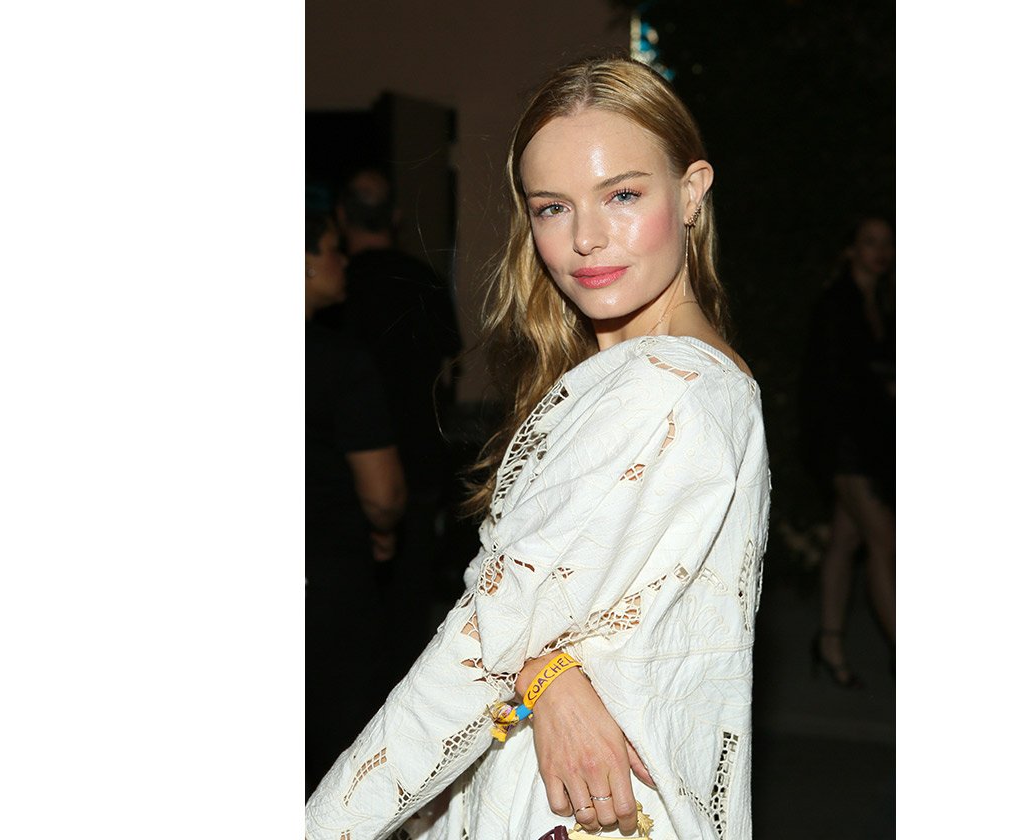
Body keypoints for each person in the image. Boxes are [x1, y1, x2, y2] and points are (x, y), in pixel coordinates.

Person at [305, 56, 770, 840]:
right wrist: (545, 671)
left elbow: (484, 638)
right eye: (553, 207)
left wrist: (326, 825)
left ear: (692, 192)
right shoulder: (695, 375)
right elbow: (575, 615)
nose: (586, 237)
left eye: (623, 195)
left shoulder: (664, 388)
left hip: (577, 812)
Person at [329, 168, 464, 680]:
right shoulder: (423, 280)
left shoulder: (333, 287)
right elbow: (449, 371)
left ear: (342, 216)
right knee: (408, 618)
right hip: (417, 464)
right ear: (397, 217)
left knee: (343, 628)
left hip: (341, 476)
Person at [305, 208, 409, 793]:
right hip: (327, 582)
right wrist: (385, 531)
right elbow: (383, 493)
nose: (342, 261)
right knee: (340, 752)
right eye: (330, 248)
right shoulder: (338, 362)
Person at [800, 215, 895, 688]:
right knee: (887, 543)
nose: (881, 251)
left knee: (847, 540)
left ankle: (829, 642)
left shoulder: (883, 302)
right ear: (851, 250)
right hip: (847, 444)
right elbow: (834, 382)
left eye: (887, 244)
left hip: (873, 441)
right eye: (870, 242)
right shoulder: (837, 303)